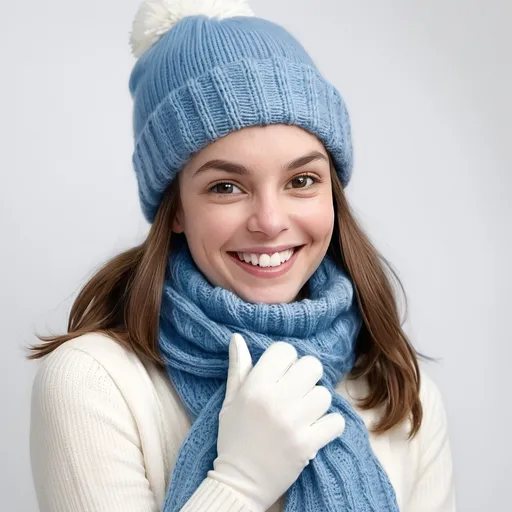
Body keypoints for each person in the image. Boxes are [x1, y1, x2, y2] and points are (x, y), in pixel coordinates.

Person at [27, 0, 456, 511]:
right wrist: (240, 482)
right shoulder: (94, 383)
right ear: (177, 209)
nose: (270, 221)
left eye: (302, 180)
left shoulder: (399, 391)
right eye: (227, 186)